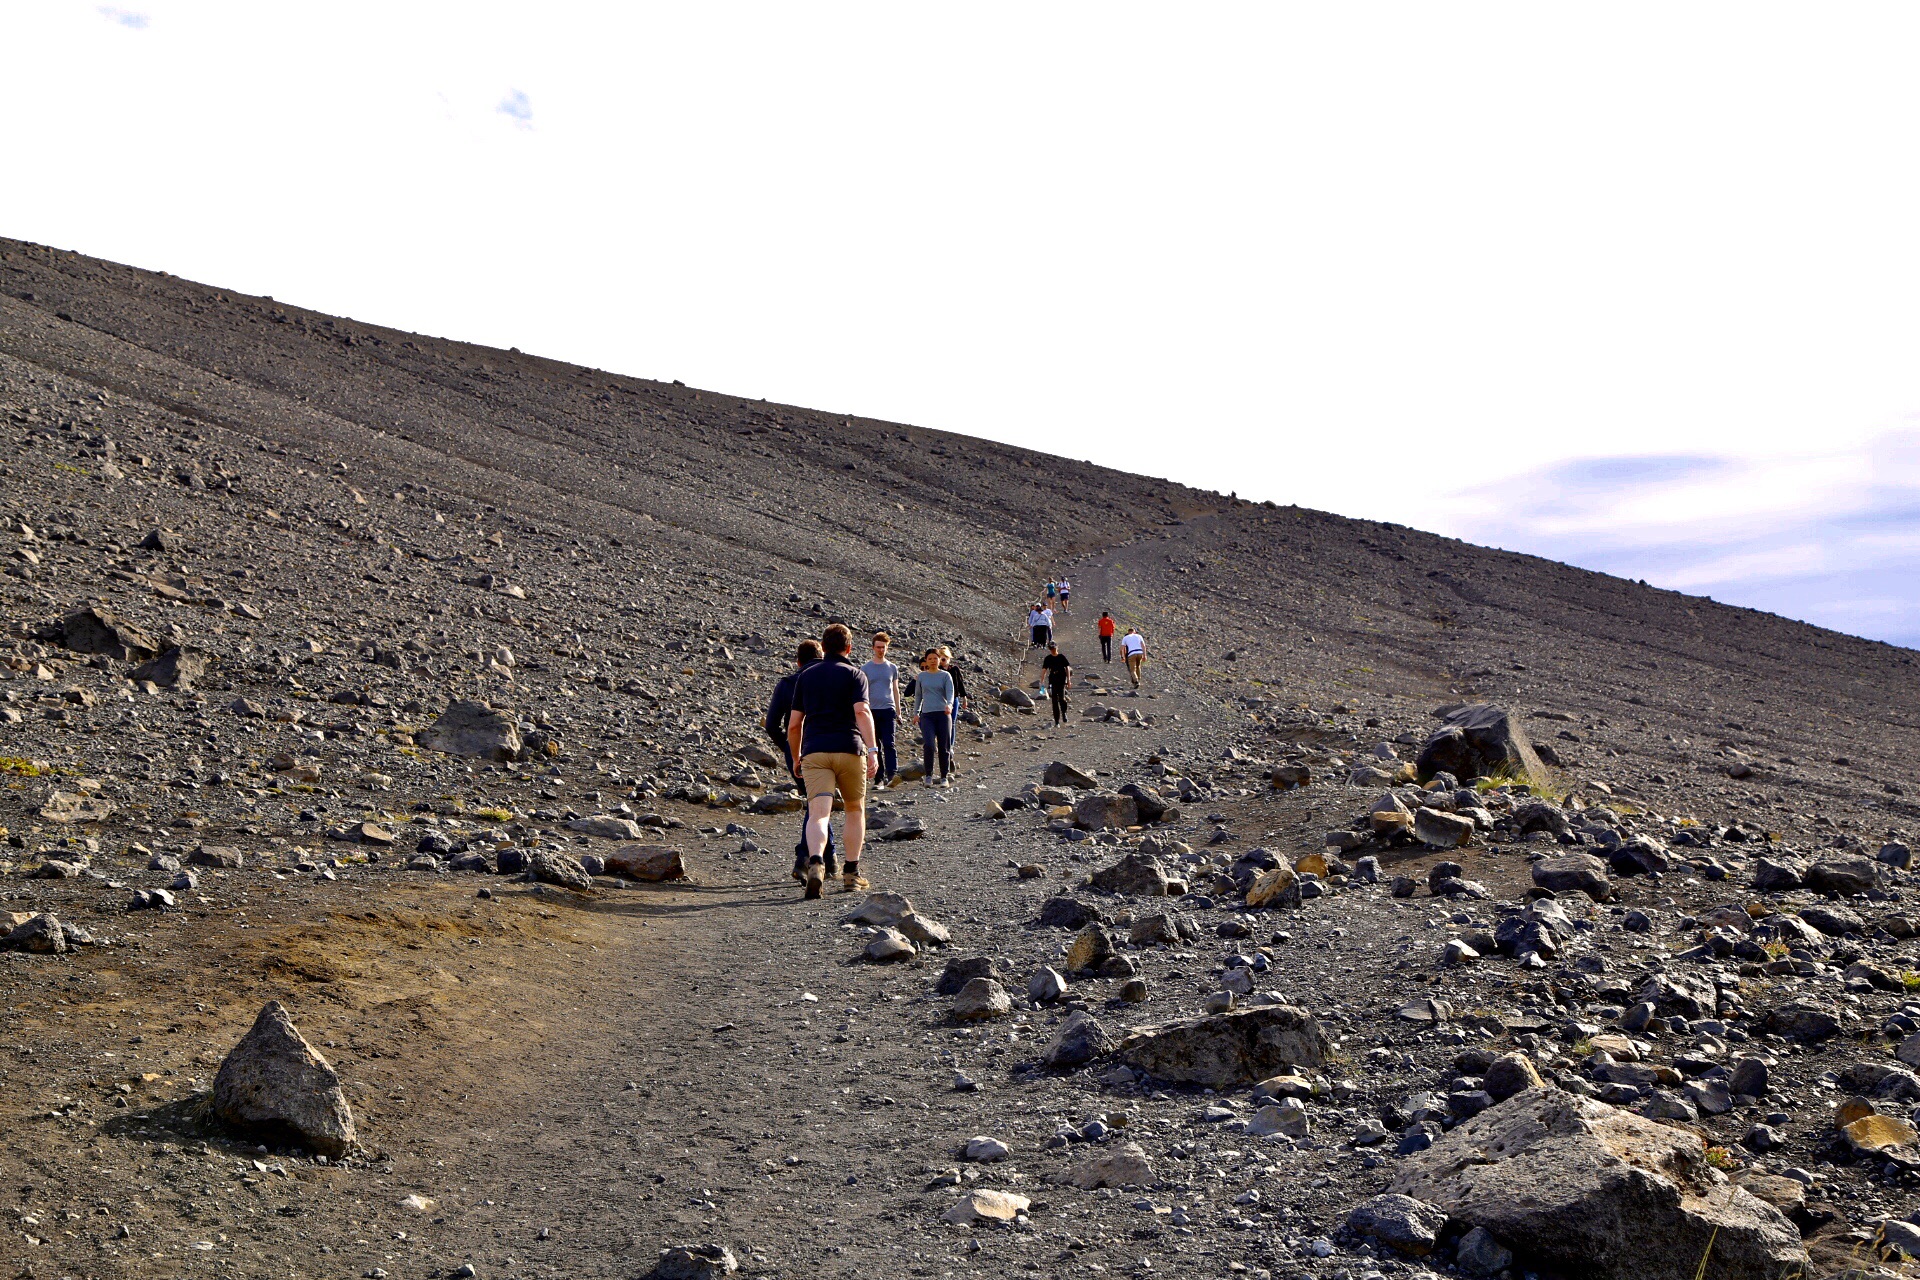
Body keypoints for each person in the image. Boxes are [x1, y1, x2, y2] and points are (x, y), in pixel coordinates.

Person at [786, 623, 879, 898]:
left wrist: (795, 756)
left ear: (823, 648)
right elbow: (862, 712)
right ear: (849, 648)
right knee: (854, 810)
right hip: (850, 749)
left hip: (815, 751)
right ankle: (851, 874)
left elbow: (793, 725)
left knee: (818, 814)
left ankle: (816, 863)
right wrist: (872, 750)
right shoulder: (855, 674)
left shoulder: (806, 676)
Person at [765, 640, 836, 882]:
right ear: (822, 655)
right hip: (827, 744)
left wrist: (788, 747)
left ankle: (830, 857)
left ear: (798, 661)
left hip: (797, 748)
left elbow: (772, 724)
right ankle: (807, 857)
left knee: (816, 802)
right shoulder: (830, 677)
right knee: (819, 803)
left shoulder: (787, 684)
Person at [860, 632, 900, 788]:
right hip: (871, 710)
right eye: (878, 647)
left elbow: (895, 689)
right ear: (873, 648)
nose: (881, 650)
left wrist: (899, 710)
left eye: (883, 647)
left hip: (888, 709)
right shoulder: (865, 668)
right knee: (875, 745)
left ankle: (892, 775)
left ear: (887, 648)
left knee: (890, 743)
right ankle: (878, 778)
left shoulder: (892, 668)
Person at [912, 648, 956, 785]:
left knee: (944, 746)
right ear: (926, 660)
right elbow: (918, 696)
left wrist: (949, 705)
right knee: (929, 745)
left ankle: (944, 776)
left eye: (935, 658)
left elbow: (950, 693)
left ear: (939, 659)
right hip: (927, 715)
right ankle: (929, 775)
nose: (932, 661)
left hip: (943, 714)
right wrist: (916, 713)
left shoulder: (945, 676)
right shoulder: (922, 677)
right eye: (930, 658)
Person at [938, 646, 968, 776]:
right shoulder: (937, 671)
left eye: (944, 658)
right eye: (941, 658)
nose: (942, 661)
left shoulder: (954, 670)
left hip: (954, 699)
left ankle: (950, 748)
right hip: (940, 699)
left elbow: (960, 684)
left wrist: (964, 698)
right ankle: (944, 747)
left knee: (952, 723)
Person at [1041, 641, 1071, 726]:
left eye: (1054, 648)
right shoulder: (1048, 658)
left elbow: (1067, 668)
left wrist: (1068, 680)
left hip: (1061, 679)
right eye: (1051, 649)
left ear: (1056, 648)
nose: (1053, 650)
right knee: (1054, 701)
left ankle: (1064, 712)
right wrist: (1042, 682)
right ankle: (1056, 721)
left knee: (1061, 698)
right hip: (1053, 680)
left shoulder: (1061, 657)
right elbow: (1044, 670)